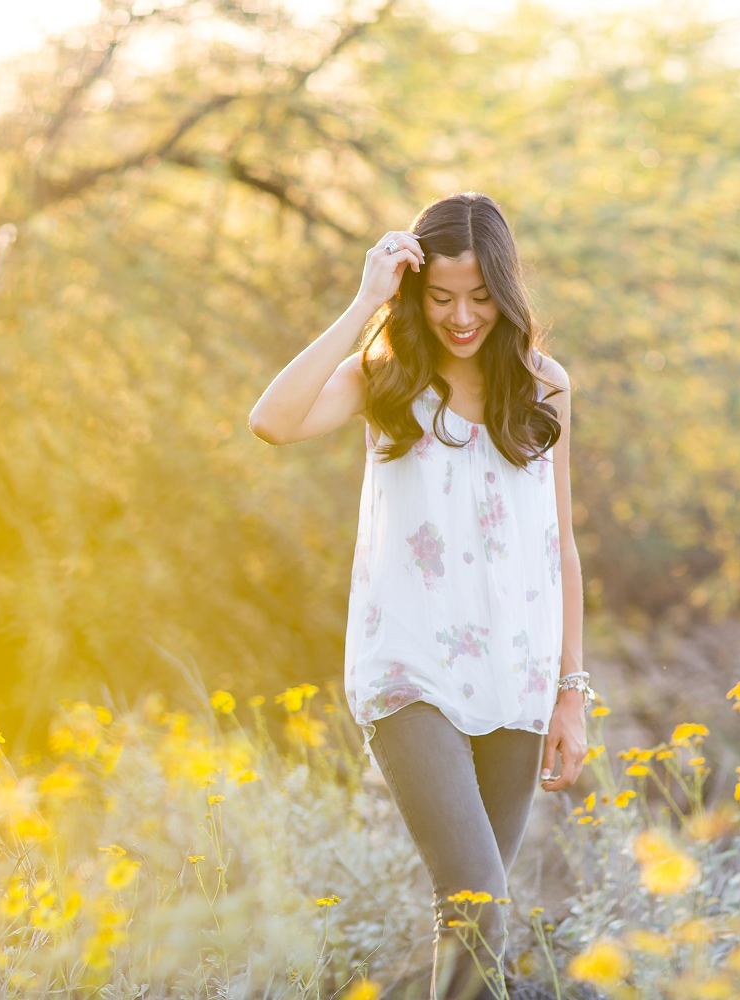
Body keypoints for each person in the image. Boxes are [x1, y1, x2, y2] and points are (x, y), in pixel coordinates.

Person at [248, 193, 588, 999]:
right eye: (440, 297)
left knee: (471, 921)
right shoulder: (386, 377)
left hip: (517, 674)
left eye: (479, 297)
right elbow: (272, 420)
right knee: (478, 903)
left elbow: (559, 544)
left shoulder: (546, 387)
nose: (461, 317)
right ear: (414, 290)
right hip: (409, 669)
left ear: (505, 292)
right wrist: (365, 302)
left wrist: (571, 691)